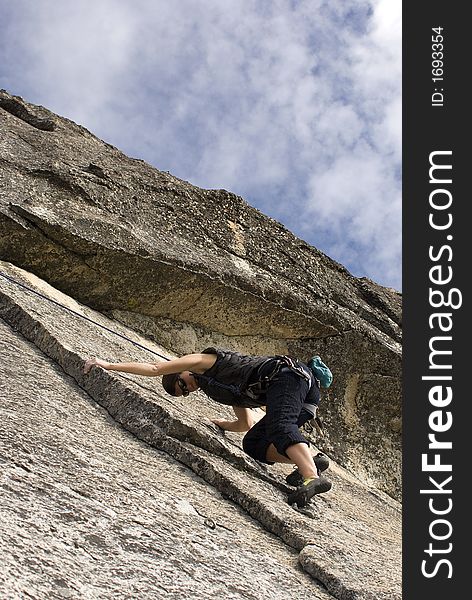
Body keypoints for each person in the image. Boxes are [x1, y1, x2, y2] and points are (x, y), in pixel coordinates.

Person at [83, 346, 332, 507]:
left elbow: (155, 368)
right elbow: (244, 423)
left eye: (182, 386)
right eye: (185, 394)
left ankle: (311, 477)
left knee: (280, 426)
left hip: (289, 375)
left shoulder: (205, 361)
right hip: (302, 395)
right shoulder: (221, 390)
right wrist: (220, 424)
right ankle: (311, 460)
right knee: (254, 444)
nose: (188, 390)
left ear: (181, 372)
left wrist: (107, 365)